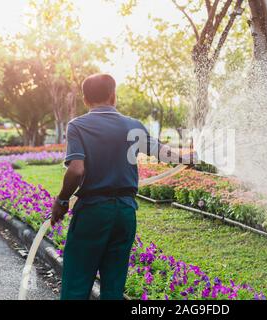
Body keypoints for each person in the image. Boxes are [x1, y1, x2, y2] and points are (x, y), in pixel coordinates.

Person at [51, 73, 196, 300]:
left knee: (77, 283)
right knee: (114, 285)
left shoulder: (78, 126)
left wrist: (61, 201)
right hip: (125, 213)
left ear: (85, 99)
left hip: (93, 211)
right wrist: (189, 158)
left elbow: (77, 169)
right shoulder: (133, 126)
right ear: (113, 95)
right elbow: (165, 154)